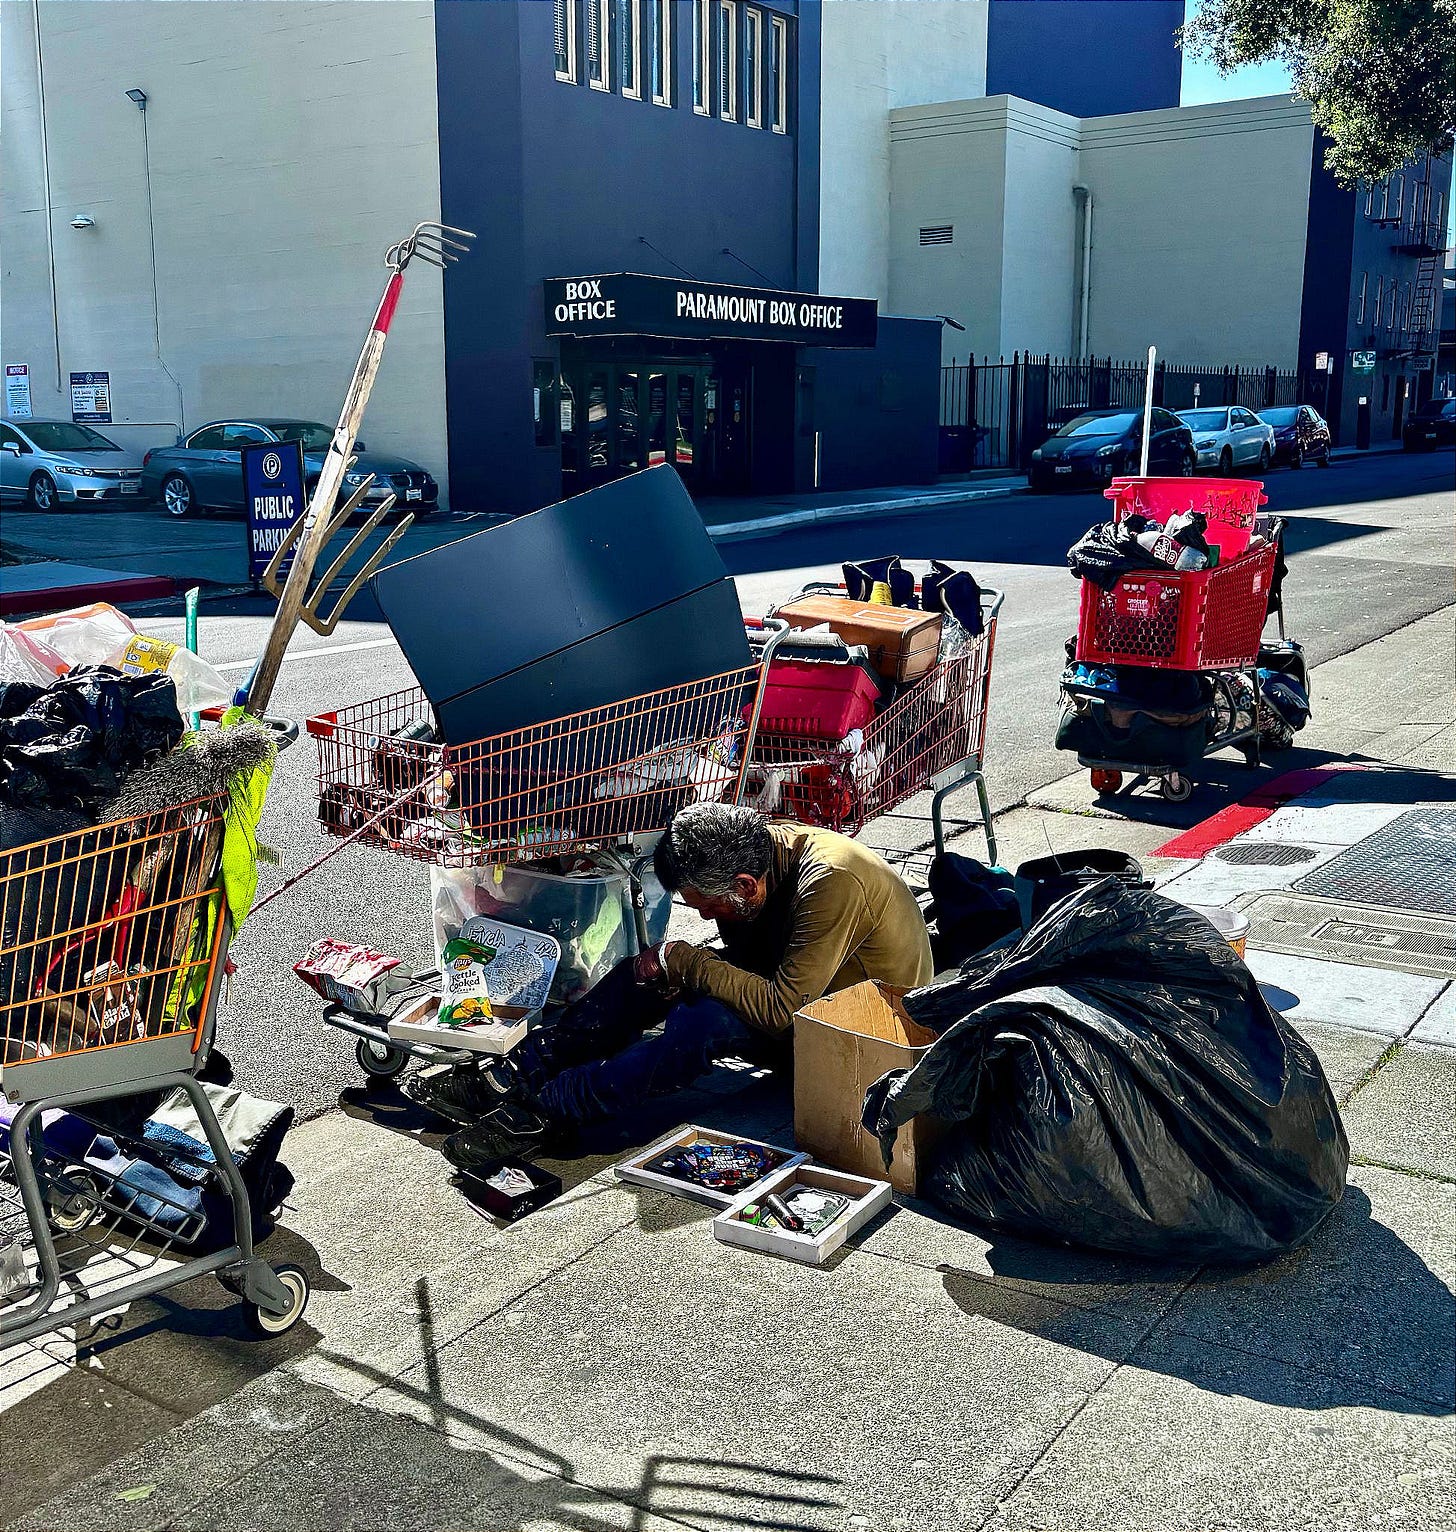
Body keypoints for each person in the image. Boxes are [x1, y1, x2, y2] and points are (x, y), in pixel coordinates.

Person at [409, 802, 933, 1170]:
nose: (701, 914)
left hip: (858, 1032)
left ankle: (551, 1111)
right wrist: (670, 969)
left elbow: (786, 1008)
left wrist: (690, 964)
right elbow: (751, 967)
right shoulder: (757, 854)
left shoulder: (832, 882)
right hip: (793, 984)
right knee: (639, 974)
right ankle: (516, 1076)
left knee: (700, 1023)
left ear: (746, 887)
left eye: (706, 905)